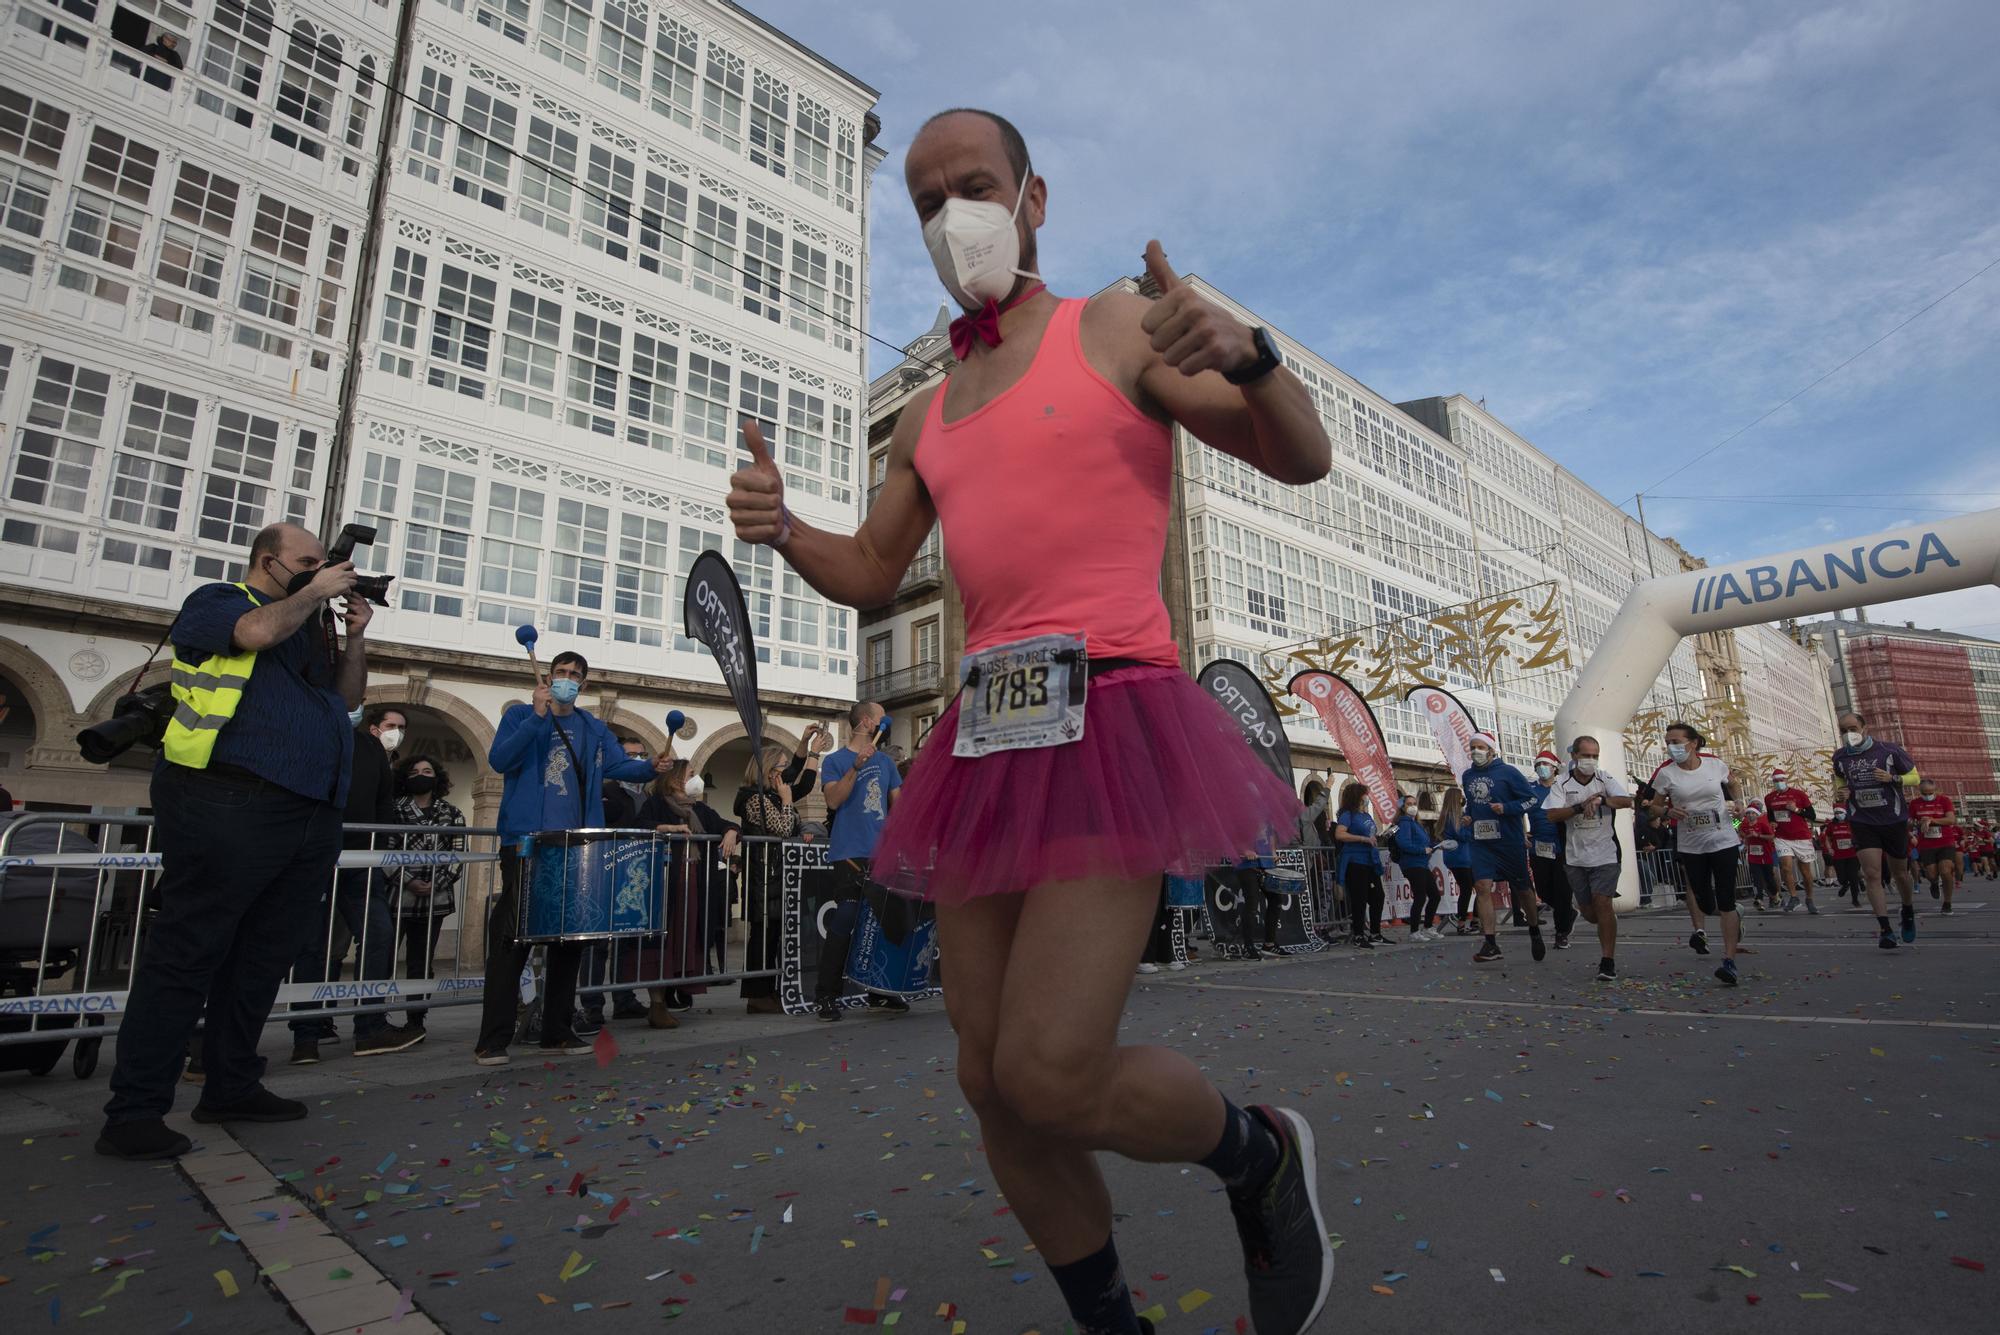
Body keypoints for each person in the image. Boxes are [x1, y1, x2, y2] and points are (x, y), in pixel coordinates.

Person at [725, 108, 1334, 1335]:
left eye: (974, 186)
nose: (953, 216)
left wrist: (1255, 355)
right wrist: (783, 530)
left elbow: (1300, 457)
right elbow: (868, 567)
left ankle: (1254, 1155)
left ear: (1032, 198)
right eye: (925, 200)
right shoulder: (926, 413)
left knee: (1048, 1070)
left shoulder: (1110, 326)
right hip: (983, 734)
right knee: (989, 1085)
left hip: (1111, 715)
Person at [98, 524, 368, 1160]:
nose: (320, 572)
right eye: (307, 563)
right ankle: (134, 1110)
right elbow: (253, 634)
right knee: (189, 951)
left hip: (306, 811)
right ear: (268, 562)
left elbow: (348, 701)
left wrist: (354, 638)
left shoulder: (308, 629)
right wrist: (314, 591)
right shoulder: (220, 601)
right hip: (228, 799)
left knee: (263, 956)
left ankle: (231, 1083)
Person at [475, 651, 670, 1065]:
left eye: (575, 676)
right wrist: (536, 717)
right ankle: (492, 1038)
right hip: (526, 843)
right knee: (512, 939)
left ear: (583, 684)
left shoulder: (594, 728)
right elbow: (499, 761)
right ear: (548, 677)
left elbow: (621, 767)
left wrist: (652, 766)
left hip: (576, 844)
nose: (567, 680)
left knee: (569, 940)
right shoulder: (519, 717)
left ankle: (557, 1031)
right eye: (561, 673)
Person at [287, 707, 417, 1064]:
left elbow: (382, 805)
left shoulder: (373, 750)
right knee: (313, 944)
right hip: (316, 854)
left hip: (362, 861)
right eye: (392, 726)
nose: (397, 733)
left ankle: (370, 1027)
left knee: (377, 934)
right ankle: (306, 1035)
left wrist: (380, 851)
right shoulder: (310, 732)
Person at [812, 701, 906, 1021]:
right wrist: (856, 767)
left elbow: (900, 807)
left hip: (880, 852)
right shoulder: (836, 760)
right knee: (847, 917)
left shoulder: (886, 763)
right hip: (849, 852)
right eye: (881, 719)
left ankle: (878, 991)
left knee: (879, 923)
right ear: (867, 722)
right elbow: (833, 800)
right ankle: (826, 995)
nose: (885, 723)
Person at [634, 760, 738, 1028]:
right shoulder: (656, 804)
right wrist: (671, 829)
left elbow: (728, 823)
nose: (697, 779)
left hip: (695, 881)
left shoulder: (700, 809)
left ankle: (679, 989)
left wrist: (730, 833)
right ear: (676, 779)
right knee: (662, 938)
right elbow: (641, 826)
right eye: (692, 774)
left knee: (688, 936)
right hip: (666, 881)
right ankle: (657, 1003)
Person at [736, 727, 829, 1013]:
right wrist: (788, 802)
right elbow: (782, 829)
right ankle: (757, 994)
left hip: (776, 875)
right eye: (781, 766)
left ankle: (769, 990)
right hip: (764, 877)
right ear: (768, 771)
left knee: (773, 935)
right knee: (763, 937)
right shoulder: (754, 799)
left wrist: (808, 747)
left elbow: (800, 780)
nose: (786, 772)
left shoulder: (772, 793)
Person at [1644, 722, 1743, 986]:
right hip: (1691, 843)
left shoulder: (1714, 764)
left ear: (1693, 742)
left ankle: (1729, 961)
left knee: (1725, 899)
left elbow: (1734, 784)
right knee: (1704, 900)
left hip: (1723, 838)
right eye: (1668, 742)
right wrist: (1667, 812)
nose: (1671, 747)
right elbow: (1652, 808)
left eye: (1676, 741)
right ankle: (1731, 915)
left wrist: (1740, 804)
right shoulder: (1666, 774)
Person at [1541, 735, 1633, 981]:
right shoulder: (1562, 783)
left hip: (1605, 854)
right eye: (1586, 755)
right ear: (1574, 757)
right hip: (1575, 857)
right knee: (1592, 914)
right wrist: (1580, 807)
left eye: (1595, 755)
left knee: (1603, 904)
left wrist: (1602, 799)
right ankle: (1604, 922)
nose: (1590, 760)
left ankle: (1607, 961)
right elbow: (1552, 815)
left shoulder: (1604, 778)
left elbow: (1626, 801)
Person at [1828, 711, 1922, 948]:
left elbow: (1915, 778)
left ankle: (1907, 910)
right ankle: (1885, 929)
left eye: (1852, 728)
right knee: (1872, 874)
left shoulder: (1888, 750)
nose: (1849, 734)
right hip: (1862, 820)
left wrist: (1893, 778)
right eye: (1844, 731)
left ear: (1864, 728)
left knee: (1900, 873)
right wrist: (1841, 792)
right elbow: (1839, 781)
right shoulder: (1840, 757)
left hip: (1892, 818)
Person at [388, 754, 464, 1032]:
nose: (422, 775)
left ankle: (416, 1019)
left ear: (437, 777)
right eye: (415, 771)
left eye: (428, 770)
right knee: (385, 957)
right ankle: (375, 1017)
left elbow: (457, 853)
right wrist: (407, 880)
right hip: (397, 895)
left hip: (436, 897)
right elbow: (387, 848)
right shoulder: (394, 809)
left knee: (421, 961)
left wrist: (436, 882)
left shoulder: (453, 813)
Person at [1460, 732, 1545, 965]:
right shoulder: (1467, 776)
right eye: (1472, 747)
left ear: (1491, 750)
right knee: (1482, 886)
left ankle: (1534, 929)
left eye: (1480, 747)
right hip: (1481, 842)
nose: (1476, 751)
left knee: (1522, 889)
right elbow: (1471, 804)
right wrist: (1468, 817)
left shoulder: (1508, 773)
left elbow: (1531, 800)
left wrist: (1506, 808)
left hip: (1508, 841)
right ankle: (1490, 942)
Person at [1526, 750, 1577, 949]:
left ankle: (1561, 932)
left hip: (1562, 846)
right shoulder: (1530, 790)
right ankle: (1568, 913)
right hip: (1538, 846)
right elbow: (1516, 810)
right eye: (1538, 764)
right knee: (1544, 891)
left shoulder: (1563, 787)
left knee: (1562, 890)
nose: (1542, 768)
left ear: (1555, 768)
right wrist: (1522, 834)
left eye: (1545, 764)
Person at [1333, 783, 1388, 948]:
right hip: (1355, 862)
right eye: (1365, 794)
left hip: (1369, 861)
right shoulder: (1347, 815)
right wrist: (1362, 839)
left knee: (1378, 896)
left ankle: (1375, 933)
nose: (1367, 797)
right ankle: (1358, 934)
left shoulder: (1366, 816)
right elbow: (1340, 834)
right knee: (1359, 900)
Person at [1762, 768, 1819, 914]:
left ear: (1786, 780)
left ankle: (1809, 898)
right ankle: (1794, 897)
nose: (1778, 783)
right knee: (1786, 867)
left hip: (1801, 837)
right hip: (1782, 837)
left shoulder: (1799, 794)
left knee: (1805, 872)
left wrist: (1797, 810)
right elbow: (1770, 816)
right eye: (1775, 781)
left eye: (1781, 780)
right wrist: (1773, 822)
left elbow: (1812, 815)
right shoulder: (1769, 798)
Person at [1391, 795, 1441, 941]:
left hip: (1422, 864)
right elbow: (1404, 843)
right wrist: (1422, 850)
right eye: (1409, 804)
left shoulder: (1416, 823)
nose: (1412, 806)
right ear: (1403, 807)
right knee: (1420, 896)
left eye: (1414, 803)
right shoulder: (1404, 823)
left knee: (1434, 896)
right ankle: (1414, 931)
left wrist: (1436, 845)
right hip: (1412, 864)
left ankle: (1427, 927)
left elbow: (1425, 843)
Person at [1910, 777, 1957, 912]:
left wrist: (1932, 820)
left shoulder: (1944, 800)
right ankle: (1934, 883)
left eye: (1930, 792)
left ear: (1935, 790)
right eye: (1924, 793)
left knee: (1945, 871)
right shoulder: (1914, 803)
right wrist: (1917, 823)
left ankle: (1947, 903)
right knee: (1931, 874)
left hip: (1945, 841)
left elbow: (1950, 819)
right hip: (1926, 844)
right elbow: (1910, 821)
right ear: (1920, 791)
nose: (1927, 796)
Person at [1437, 788, 1476, 933]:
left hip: (1458, 857)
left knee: (1472, 887)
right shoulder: (1453, 817)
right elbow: (1463, 836)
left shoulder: (1452, 815)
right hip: (1460, 858)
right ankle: (1462, 922)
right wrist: (1468, 826)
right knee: (1468, 889)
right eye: (1461, 797)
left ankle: (1472, 920)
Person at [1740, 803, 1779, 911]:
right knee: (1757, 878)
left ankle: (1775, 895)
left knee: (1769, 879)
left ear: (1757, 815)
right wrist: (1746, 839)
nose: (1750, 815)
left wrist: (1758, 835)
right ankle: (1759, 899)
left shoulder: (1763, 824)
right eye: (1748, 813)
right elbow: (1741, 832)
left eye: (1753, 813)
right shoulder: (1744, 825)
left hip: (1765, 855)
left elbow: (1772, 836)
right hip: (1753, 857)